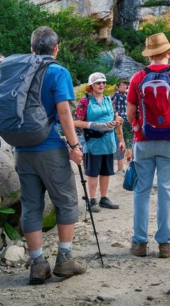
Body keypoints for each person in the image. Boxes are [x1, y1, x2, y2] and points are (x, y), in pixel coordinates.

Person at [13, 26, 86, 284]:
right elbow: (64, 113)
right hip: (50, 147)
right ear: (56, 49)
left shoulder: (19, 71)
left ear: (32, 48)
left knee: (31, 205)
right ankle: (65, 260)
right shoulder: (57, 71)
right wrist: (75, 146)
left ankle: (37, 264)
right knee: (65, 201)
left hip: (22, 149)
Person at [127, 33, 170, 258]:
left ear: (149, 54)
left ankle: (139, 244)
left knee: (142, 191)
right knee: (166, 191)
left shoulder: (137, 78)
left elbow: (130, 114)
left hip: (144, 141)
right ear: (168, 52)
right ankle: (165, 244)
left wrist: (138, 129)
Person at [73, 72, 125, 213]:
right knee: (93, 172)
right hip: (93, 142)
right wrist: (94, 125)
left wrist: (121, 140)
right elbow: (76, 122)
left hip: (108, 141)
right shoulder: (85, 102)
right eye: (98, 83)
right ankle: (92, 199)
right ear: (92, 85)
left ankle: (104, 198)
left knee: (106, 171)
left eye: (103, 82)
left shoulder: (109, 100)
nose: (101, 85)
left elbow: (116, 120)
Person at [112, 79, 132, 173]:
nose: (122, 87)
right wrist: (115, 114)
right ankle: (120, 168)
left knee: (129, 142)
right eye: (120, 85)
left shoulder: (128, 95)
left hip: (128, 121)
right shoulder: (116, 95)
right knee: (121, 141)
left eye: (123, 85)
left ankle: (128, 165)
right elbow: (111, 104)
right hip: (119, 121)